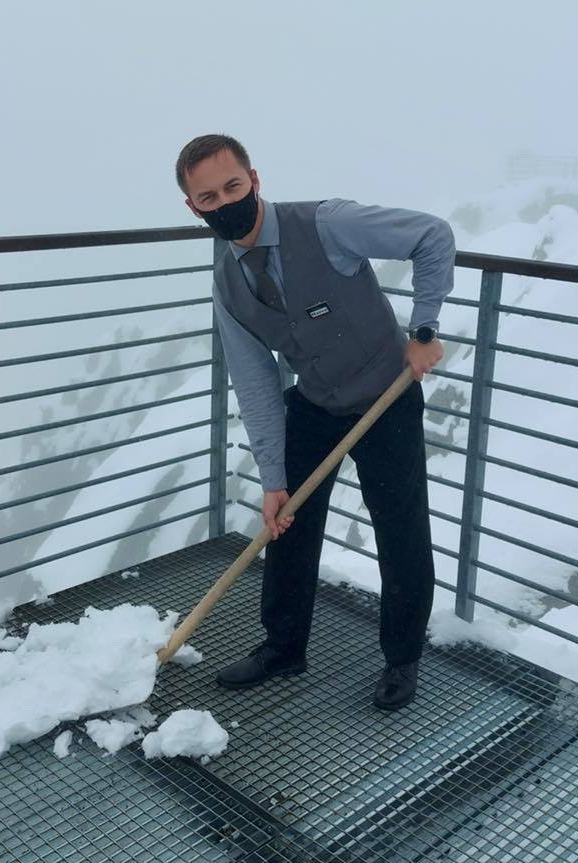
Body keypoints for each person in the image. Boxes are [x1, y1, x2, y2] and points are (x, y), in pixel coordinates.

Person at [174, 134, 455, 711]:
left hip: (387, 397)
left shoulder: (327, 224)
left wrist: (423, 330)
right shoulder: (228, 287)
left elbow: (433, 236)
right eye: (208, 197)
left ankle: (402, 659)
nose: (224, 202)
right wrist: (274, 480)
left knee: (400, 534)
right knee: (288, 524)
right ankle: (283, 647)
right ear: (193, 208)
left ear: (255, 179)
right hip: (316, 405)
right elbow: (255, 385)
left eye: (232, 185)